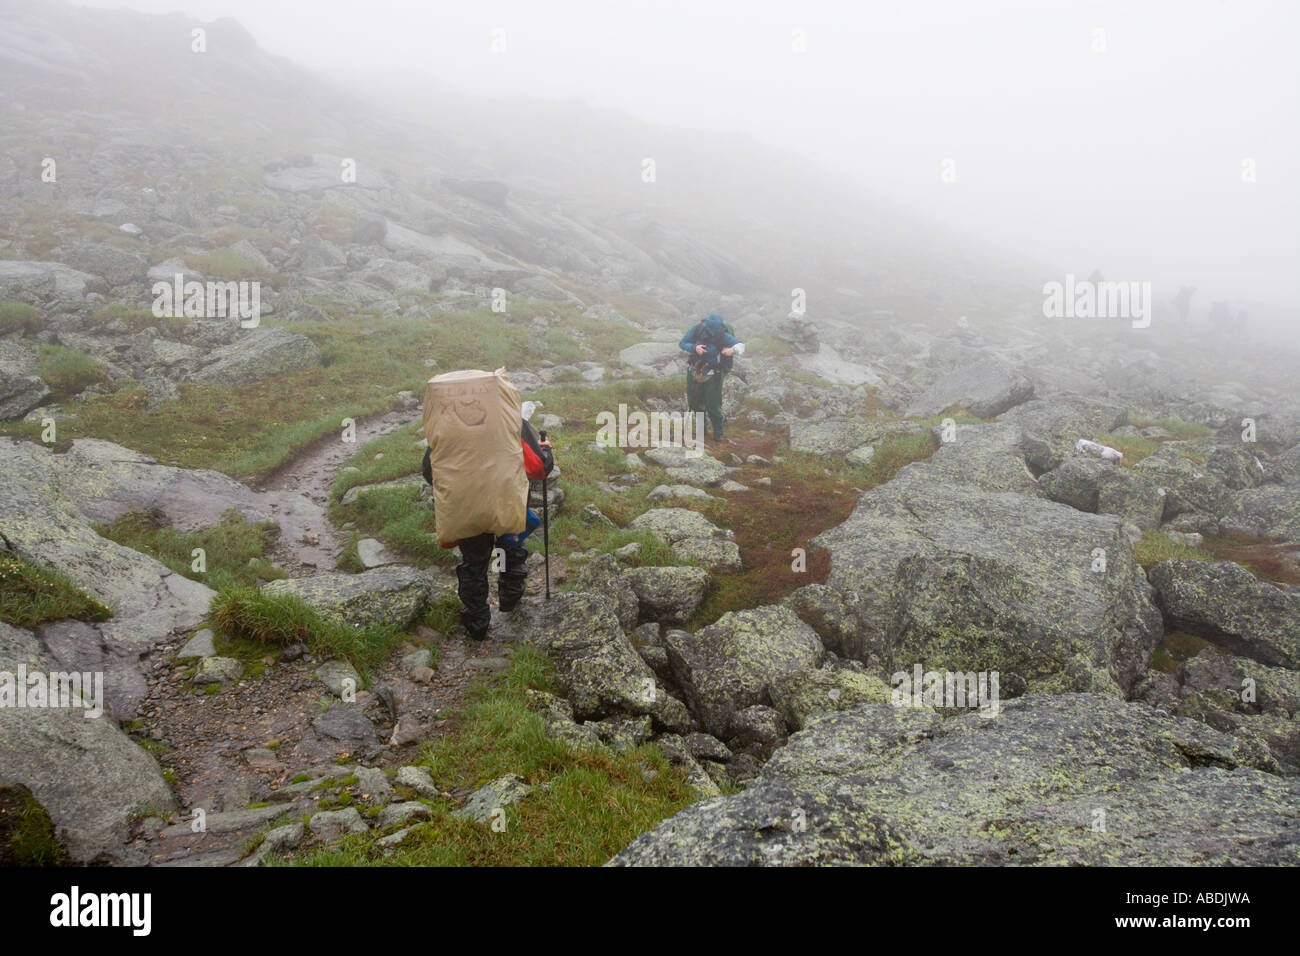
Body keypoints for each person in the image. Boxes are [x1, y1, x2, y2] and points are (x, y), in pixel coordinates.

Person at [421, 414, 554, 640]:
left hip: (467, 510)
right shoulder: (512, 422)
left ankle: (477, 624)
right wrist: (547, 451)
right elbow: (539, 469)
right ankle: (509, 602)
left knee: (474, 563)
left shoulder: (446, 427)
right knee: (508, 550)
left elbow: (429, 472)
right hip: (506, 506)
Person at [679, 313, 744, 441]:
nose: (713, 333)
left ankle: (718, 434)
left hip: (713, 376)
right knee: (695, 403)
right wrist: (694, 347)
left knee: (713, 406)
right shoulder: (697, 329)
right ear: (706, 325)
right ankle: (701, 432)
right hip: (694, 372)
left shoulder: (723, 335)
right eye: (710, 330)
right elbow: (682, 343)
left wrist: (733, 350)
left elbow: (740, 345)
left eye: (715, 330)